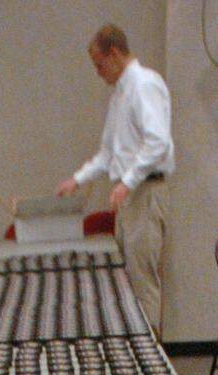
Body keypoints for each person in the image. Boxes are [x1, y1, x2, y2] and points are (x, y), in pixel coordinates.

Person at [57, 23, 174, 337]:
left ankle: (152, 355)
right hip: (130, 195)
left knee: (143, 280)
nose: (98, 73)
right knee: (129, 280)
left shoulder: (144, 84)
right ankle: (138, 348)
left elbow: (157, 142)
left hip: (145, 191)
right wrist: (77, 180)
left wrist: (128, 182)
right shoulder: (119, 96)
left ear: (114, 53)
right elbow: (109, 155)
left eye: (99, 64)